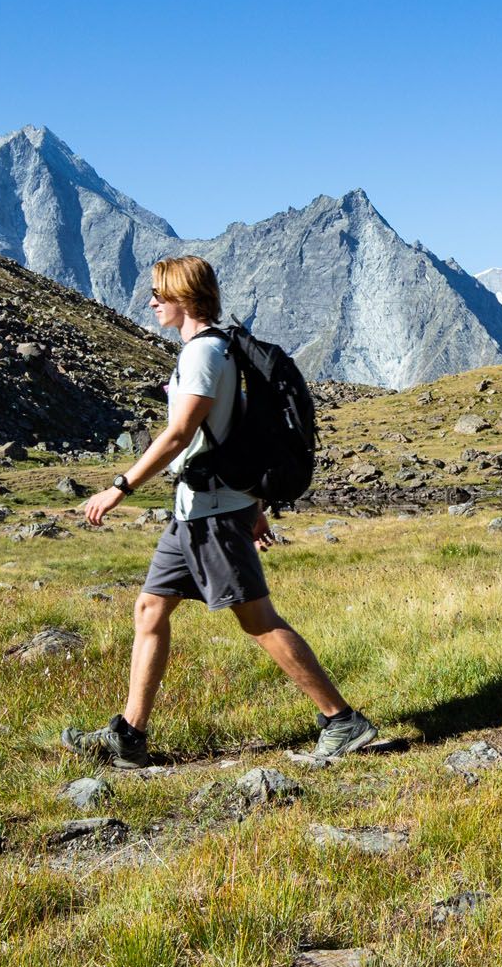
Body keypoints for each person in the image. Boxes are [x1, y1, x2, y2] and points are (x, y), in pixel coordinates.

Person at [62, 255, 378, 768]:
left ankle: (342, 721)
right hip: (197, 507)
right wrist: (253, 505)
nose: (150, 303)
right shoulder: (212, 349)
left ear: (184, 297)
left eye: (158, 295)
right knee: (150, 608)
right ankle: (129, 736)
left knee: (257, 619)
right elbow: (234, 435)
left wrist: (120, 487)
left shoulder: (205, 354)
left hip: (210, 513)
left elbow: (181, 434)